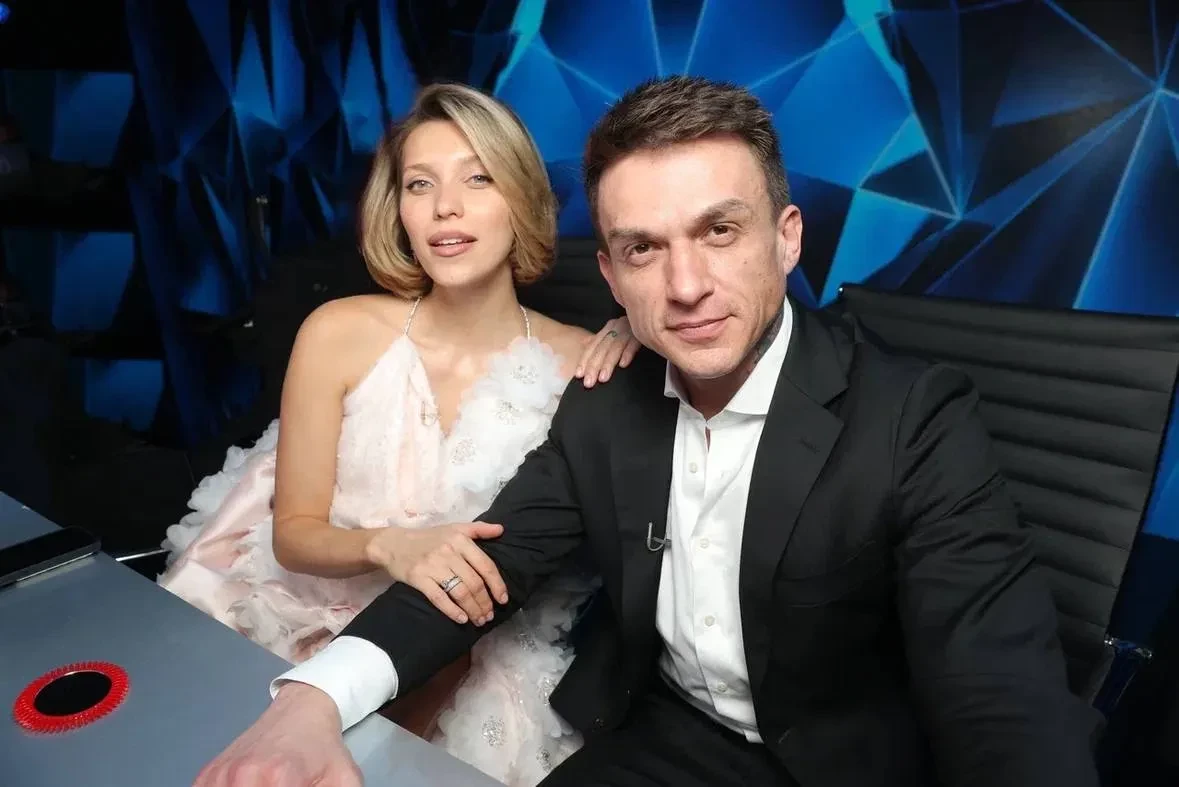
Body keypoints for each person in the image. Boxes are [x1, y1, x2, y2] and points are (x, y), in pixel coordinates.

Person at [194, 76, 1103, 787]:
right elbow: (483, 564)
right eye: (643, 248)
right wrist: (312, 699)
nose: (685, 286)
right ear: (611, 273)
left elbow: (999, 695)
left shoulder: (915, 416)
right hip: (672, 740)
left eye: (719, 231)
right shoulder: (602, 402)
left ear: (787, 237)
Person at [159, 82, 639, 785]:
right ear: (400, 211)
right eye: (420, 184)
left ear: (521, 198)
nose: (446, 207)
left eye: (478, 178)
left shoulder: (587, 364)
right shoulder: (338, 331)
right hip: (298, 616)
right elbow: (293, 533)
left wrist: (640, 328)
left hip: (471, 654)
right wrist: (388, 544)